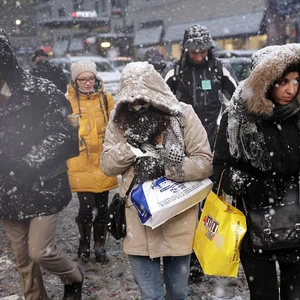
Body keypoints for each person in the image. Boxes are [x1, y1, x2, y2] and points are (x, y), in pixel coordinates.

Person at [100, 61, 213, 299]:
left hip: (177, 213)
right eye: (130, 97)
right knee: (151, 296)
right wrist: (130, 146)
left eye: (142, 96)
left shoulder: (182, 114)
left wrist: (168, 168)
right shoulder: (119, 119)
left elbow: (204, 161)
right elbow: (107, 165)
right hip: (137, 216)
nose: (136, 103)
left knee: (178, 293)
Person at [0, 29, 83, 299]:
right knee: (24, 260)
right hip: (6, 190)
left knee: (40, 251)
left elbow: (65, 135)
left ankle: (73, 276)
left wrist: (30, 162)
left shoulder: (41, 90)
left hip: (43, 185)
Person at [213, 43, 300, 299]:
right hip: (255, 225)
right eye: (283, 81)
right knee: (264, 295)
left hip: (296, 223)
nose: (291, 89)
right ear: (265, 81)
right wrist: (249, 185)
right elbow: (219, 168)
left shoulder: (298, 116)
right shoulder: (237, 119)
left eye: (296, 81)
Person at [67, 60, 118, 264]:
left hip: (102, 162)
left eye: (91, 79)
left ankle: (99, 246)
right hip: (80, 163)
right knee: (86, 207)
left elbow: (117, 126)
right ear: (75, 80)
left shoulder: (106, 99)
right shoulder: (67, 102)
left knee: (103, 208)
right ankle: (84, 243)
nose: (87, 83)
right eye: (83, 79)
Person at [164, 24, 237, 149]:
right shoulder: (173, 72)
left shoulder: (221, 69)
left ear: (209, 49)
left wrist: (227, 135)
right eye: (194, 53)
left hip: (215, 139)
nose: (198, 58)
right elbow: (162, 105)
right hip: (183, 140)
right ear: (185, 50)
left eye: (202, 52)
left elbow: (234, 104)